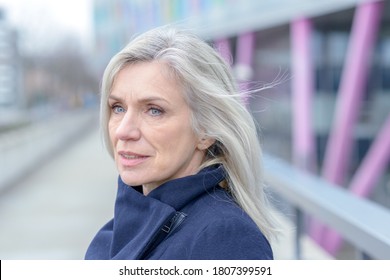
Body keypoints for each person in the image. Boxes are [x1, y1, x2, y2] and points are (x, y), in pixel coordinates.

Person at [85, 25, 278, 260]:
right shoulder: (121, 227)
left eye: (154, 111)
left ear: (205, 131)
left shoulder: (225, 239)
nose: (124, 131)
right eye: (118, 107)